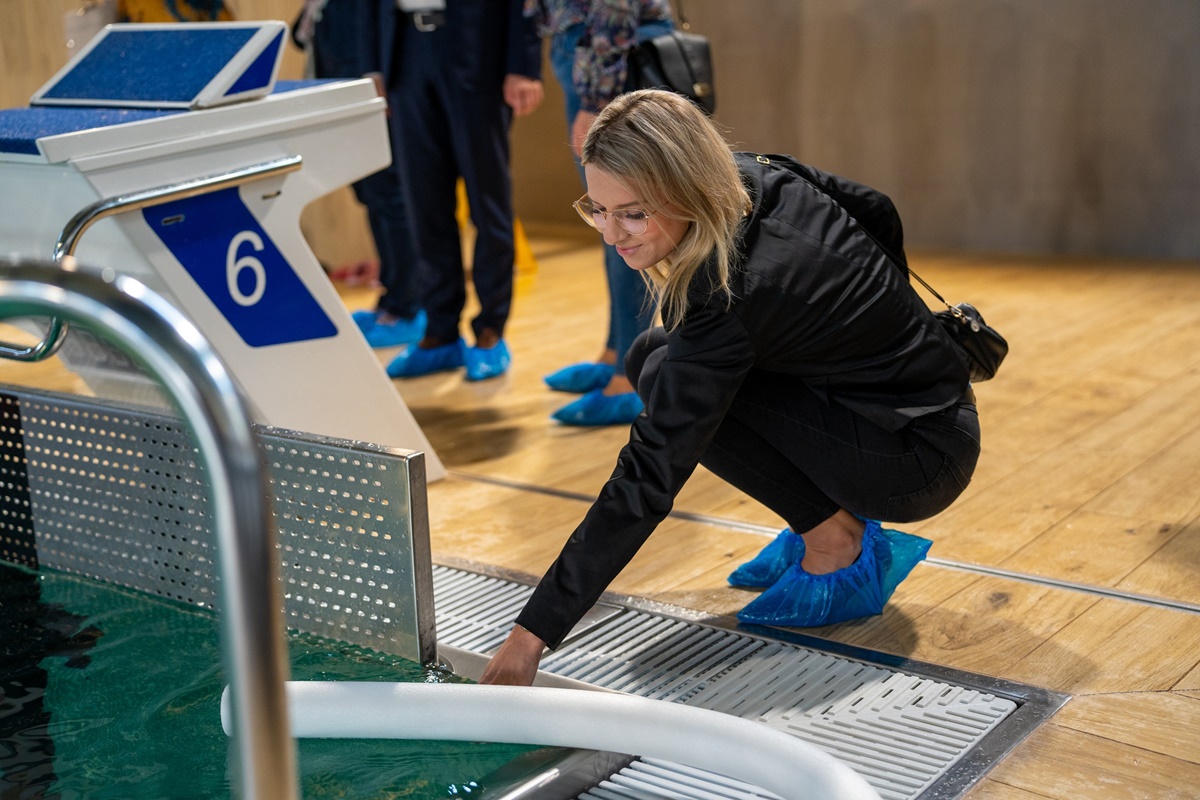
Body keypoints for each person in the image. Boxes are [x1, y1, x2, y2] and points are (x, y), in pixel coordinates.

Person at [480, 90, 981, 686]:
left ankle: (836, 542)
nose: (611, 235)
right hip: (899, 404)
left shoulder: (727, 297)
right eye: (598, 208)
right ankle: (825, 516)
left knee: (668, 376)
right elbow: (877, 208)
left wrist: (530, 636)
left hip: (915, 459)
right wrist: (880, 325)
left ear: (685, 188)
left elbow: (648, 476)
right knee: (650, 354)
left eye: (633, 214)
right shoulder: (752, 174)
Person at [378, 0, 545, 382]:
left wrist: (523, 63)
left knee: (488, 202)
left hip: (476, 48)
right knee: (423, 203)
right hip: (404, 50)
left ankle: (490, 331)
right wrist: (375, 66)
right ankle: (439, 331)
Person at [533, 0, 673, 426]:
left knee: (627, 226)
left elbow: (614, 9)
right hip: (590, 60)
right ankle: (616, 353)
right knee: (611, 226)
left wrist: (596, 100)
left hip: (609, 65)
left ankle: (631, 378)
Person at [294, 0, 427, 348]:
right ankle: (391, 298)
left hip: (371, 85)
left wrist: (376, 72)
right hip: (342, 84)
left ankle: (410, 307)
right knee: (373, 196)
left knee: (393, 196)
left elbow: (375, 22)